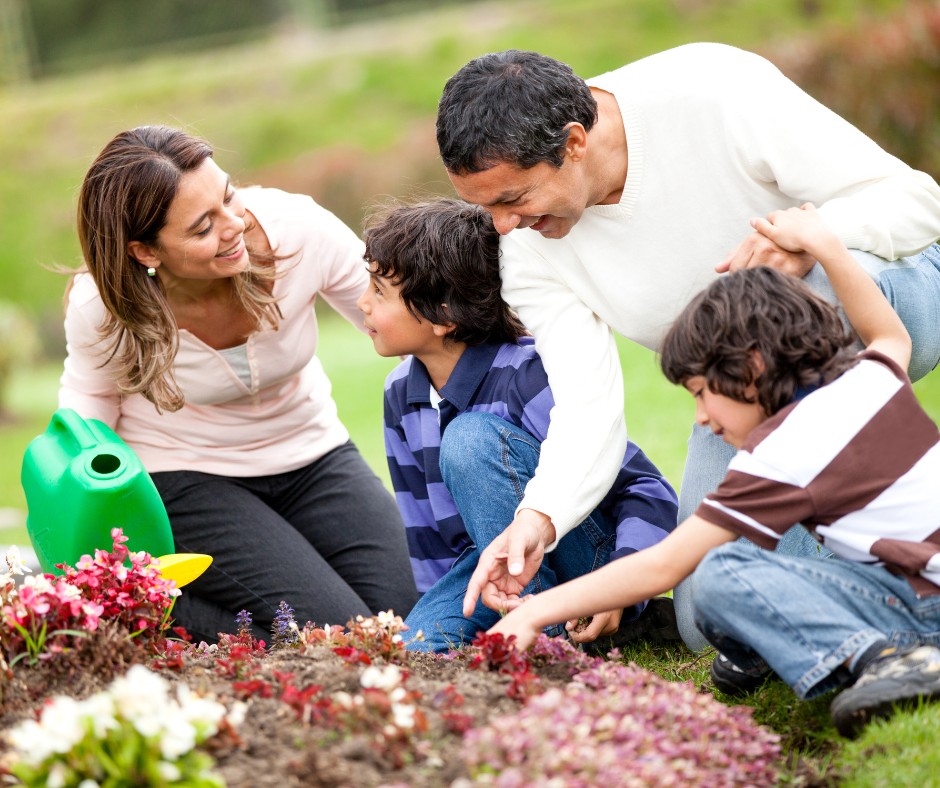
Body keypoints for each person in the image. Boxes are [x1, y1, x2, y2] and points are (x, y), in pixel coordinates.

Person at [436, 44, 940, 651]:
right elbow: (586, 402)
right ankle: (871, 598)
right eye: (483, 207)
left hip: (885, 294)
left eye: (512, 200)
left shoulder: (712, 89)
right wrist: (538, 517)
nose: (501, 227)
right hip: (738, 390)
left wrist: (816, 239)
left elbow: (918, 202)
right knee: (708, 625)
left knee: (815, 291)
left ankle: (876, 620)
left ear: (574, 142)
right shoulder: (527, 250)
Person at [485, 202, 940, 738]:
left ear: (751, 370)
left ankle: (892, 662)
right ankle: (771, 647)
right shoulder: (869, 378)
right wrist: (825, 244)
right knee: (755, 569)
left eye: (702, 394)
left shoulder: (787, 447)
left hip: (923, 609)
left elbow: (664, 568)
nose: (701, 417)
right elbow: (890, 335)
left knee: (721, 575)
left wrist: (535, 613)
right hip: (911, 581)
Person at [60, 126, 419, 644]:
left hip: (314, 454)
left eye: (229, 197)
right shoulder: (103, 305)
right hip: (187, 475)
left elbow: (397, 315)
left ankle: (204, 617)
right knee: (342, 637)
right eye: (204, 227)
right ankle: (150, 608)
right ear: (145, 252)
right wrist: (97, 502)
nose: (234, 225)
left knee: (407, 621)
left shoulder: (296, 230)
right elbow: (89, 401)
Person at [355, 199, 679, 653]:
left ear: (443, 316)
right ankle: (533, 635)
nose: (361, 303)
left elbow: (647, 489)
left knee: (469, 439)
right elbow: (428, 534)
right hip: (488, 575)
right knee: (412, 652)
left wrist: (622, 583)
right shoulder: (400, 394)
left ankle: (546, 644)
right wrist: (437, 606)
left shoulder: (527, 375)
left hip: (587, 566)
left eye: (379, 291)